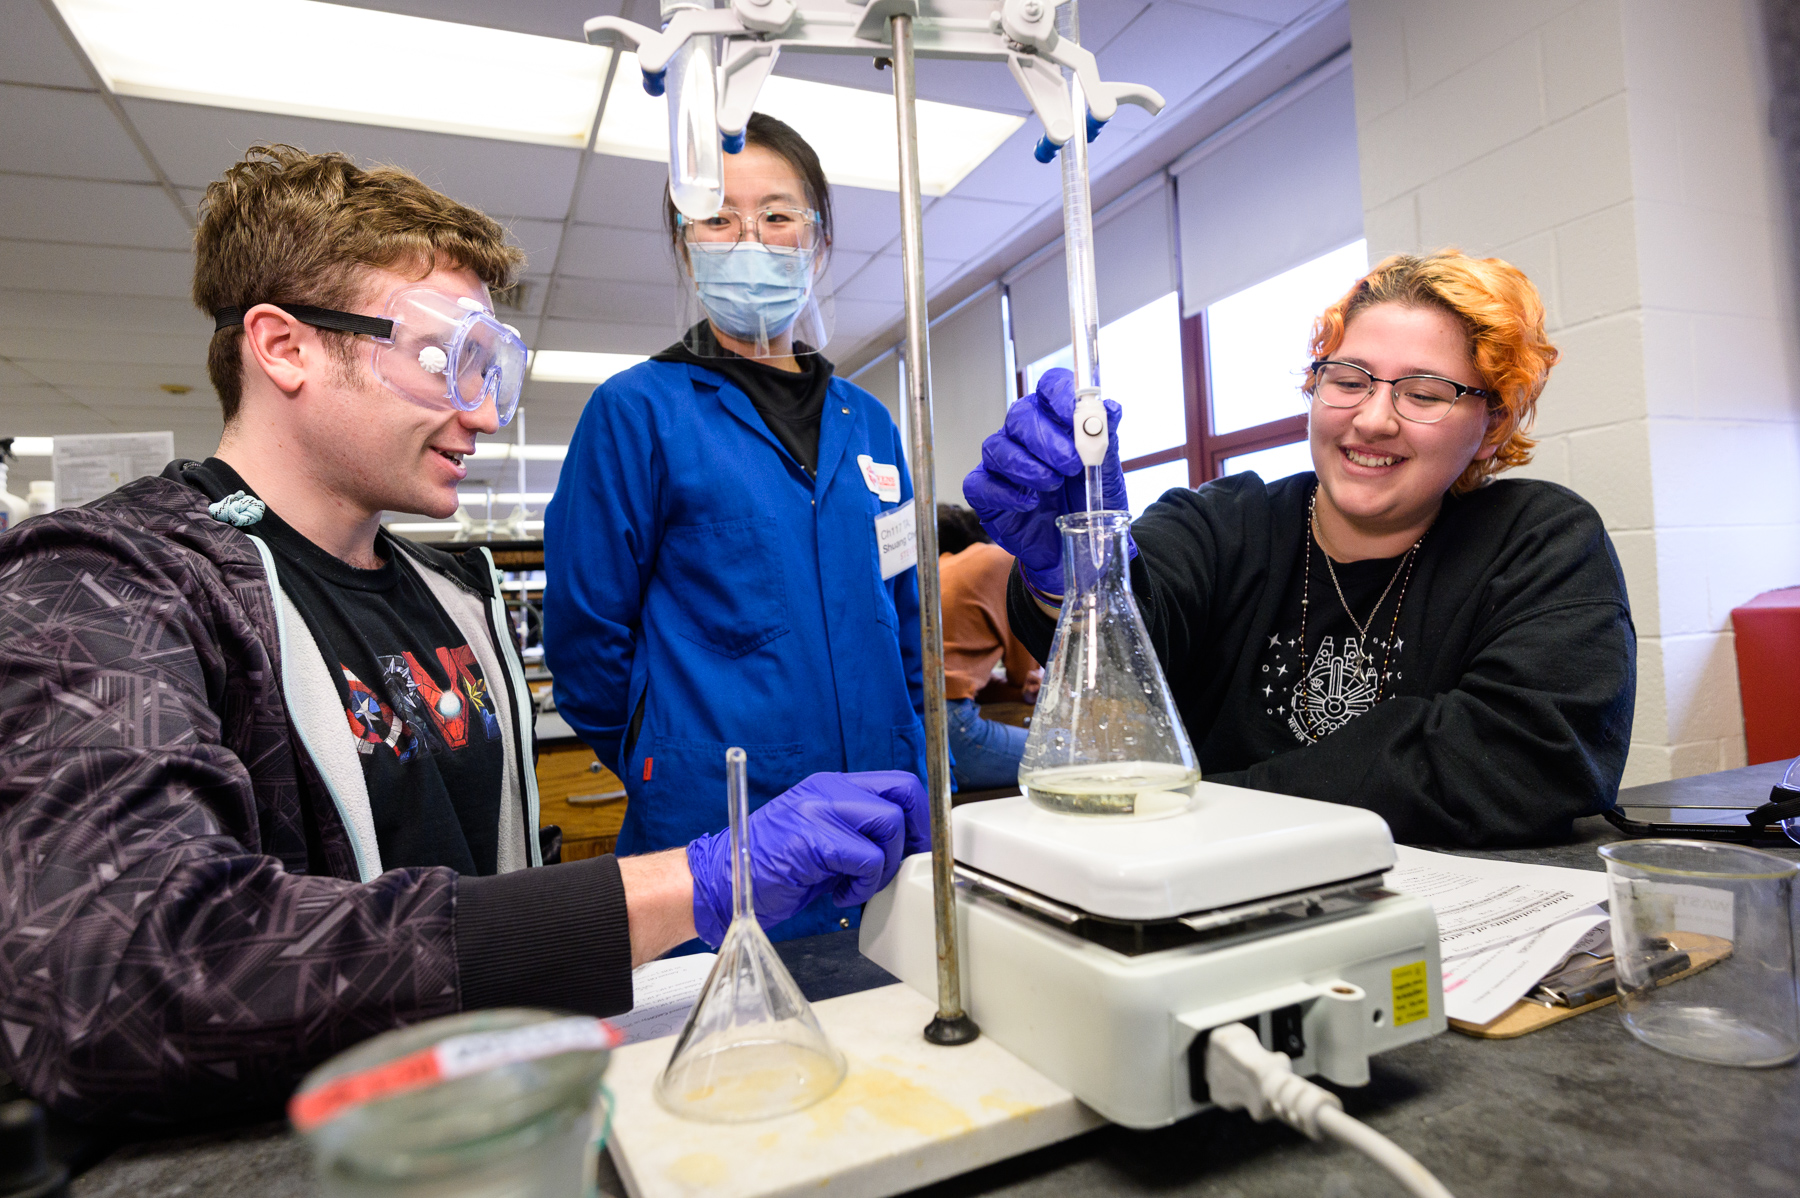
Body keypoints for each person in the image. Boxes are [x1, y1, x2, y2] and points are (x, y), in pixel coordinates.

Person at [0, 144, 928, 1125]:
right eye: (445, 357)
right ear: (285, 348)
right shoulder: (104, 582)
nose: (481, 411)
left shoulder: (455, 601)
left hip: (480, 1127)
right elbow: (118, 978)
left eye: (494, 366)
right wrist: (690, 882)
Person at [965, 251, 1636, 845]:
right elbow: (1141, 628)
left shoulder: (1536, 541)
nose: (1373, 419)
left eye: (1424, 393)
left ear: (1491, 426)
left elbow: (1527, 762)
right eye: (1348, 381)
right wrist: (1084, 568)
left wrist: (1208, 802)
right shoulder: (1223, 523)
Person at [544, 114, 926, 942]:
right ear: (688, 246)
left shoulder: (872, 425)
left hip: (884, 818)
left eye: (779, 216)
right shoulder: (636, 412)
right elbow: (584, 642)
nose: (750, 238)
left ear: (817, 244)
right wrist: (664, 758)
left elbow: (903, 625)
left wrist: (925, 763)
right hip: (718, 832)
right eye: (719, 218)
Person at [937, 504, 1041, 789]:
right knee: (1083, 756)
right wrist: (1028, 684)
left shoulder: (935, 571)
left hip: (915, 728)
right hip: (952, 734)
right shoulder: (998, 559)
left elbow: (955, 677)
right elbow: (1027, 675)